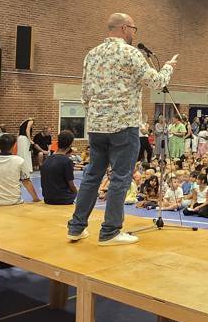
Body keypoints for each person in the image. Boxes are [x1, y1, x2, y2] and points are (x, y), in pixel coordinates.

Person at [67, 13, 176, 245]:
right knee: (120, 177)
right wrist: (168, 67)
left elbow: (85, 93)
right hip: (124, 126)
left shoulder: (91, 54)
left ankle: (76, 228)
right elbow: (157, 82)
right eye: (134, 29)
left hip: (96, 126)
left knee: (92, 175)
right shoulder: (130, 53)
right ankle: (110, 231)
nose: (134, 33)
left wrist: (95, 117)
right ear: (125, 28)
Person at [0, 132, 39, 207]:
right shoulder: (19, 161)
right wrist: (36, 199)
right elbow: (26, 181)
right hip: (14, 202)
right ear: (14, 146)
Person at [40, 129, 77, 205]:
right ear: (70, 145)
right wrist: (76, 192)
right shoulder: (67, 161)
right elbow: (71, 185)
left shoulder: (47, 160)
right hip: (63, 199)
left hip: (47, 198)